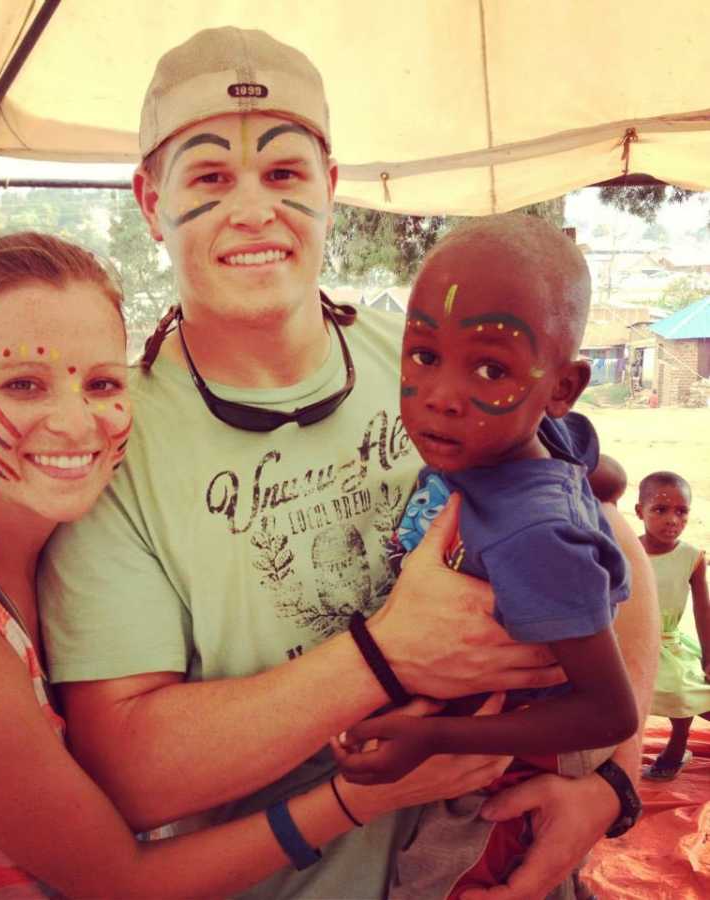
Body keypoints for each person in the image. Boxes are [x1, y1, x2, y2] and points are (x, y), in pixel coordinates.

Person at [38, 27, 658, 900]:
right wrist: (388, 653)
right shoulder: (114, 447)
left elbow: (612, 552)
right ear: (150, 201)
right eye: (210, 178)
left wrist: (613, 786)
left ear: (330, 190)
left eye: (285, 174)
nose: (254, 210)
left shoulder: (433, 356)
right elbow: (134, 771)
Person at [0, 233, 506, 899]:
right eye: (24, 385)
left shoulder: (51, 547)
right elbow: (119, 883)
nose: (74, 422)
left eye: (103, 384)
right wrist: (358, 797)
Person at [331, 215, 638, 897]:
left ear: (561, 386)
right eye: (423, 355)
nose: (441, 396)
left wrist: (434, 740)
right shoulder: (538, 437)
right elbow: (587, 453)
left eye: (491, 368)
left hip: (504, 787)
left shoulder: (532, 535)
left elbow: (610, 710)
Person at [636, 470, 710, 780]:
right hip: (633, 640)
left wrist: (709, 654)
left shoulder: (692, 557)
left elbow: (702, 609)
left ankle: (678, 746)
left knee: (683, 692)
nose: (672, 520)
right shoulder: (627, 551)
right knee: (626, 699)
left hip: (669, 643)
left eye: (682, 511)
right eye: (660, 509)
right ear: (641, 511)